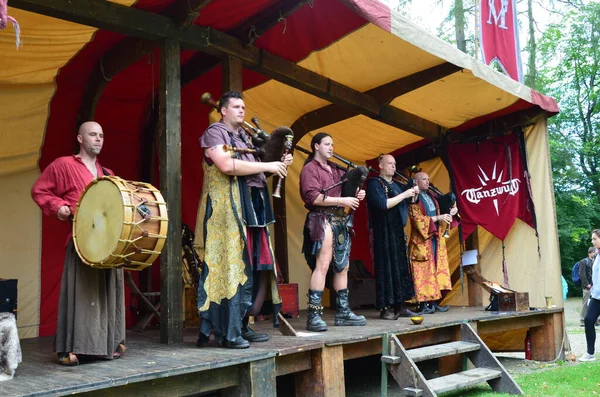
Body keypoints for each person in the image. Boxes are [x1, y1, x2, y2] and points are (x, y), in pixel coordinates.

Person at [195, 91, 292, 349]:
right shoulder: (214, 133)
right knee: (230, 267)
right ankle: (228, 333)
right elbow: (227, 166)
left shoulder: (244, 137)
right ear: (223, 110)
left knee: (251, 268)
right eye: (236, 106)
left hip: (250, 209)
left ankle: (242, 325)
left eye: (244, 106)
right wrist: (268, 166)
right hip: (225, 212)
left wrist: (278, 163)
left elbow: (256, 174)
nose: (242, 110)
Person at [31, 121, 126, 366]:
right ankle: (70, 347)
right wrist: (58, 206)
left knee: (107, 292)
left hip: (108, 244)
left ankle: (109, 343)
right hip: (81, 241)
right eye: (93, 135)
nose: (98, 139)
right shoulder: (64, 165)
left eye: (102, 135)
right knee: (81, 294)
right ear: (80, 139)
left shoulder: (109, 175)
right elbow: (40, 190)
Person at [299, 132, 367, 332]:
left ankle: (343, 313)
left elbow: (346, 192)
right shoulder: (309, 169)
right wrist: (342, 201)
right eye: (327, 144)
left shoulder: (336, 169)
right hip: (321, 218)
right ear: (316, 146)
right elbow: (312, 198)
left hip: (339, 220)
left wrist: (356, 194)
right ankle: (314, 316)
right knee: (322, 264)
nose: (331, 147)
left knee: (342, 267)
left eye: (332, 144)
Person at [366, 154, 420, 320]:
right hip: (383, 231)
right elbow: (383, 204)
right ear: (380, 165)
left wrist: (414, 192)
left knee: (400, 267)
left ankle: (401, 305)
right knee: (386, 268)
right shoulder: (374, 183)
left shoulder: (397, 185)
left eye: (394, 164)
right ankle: (386, 308)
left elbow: (411, 202)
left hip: (397, 231)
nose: (393, 166)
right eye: (389, 163)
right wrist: (405, 195)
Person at [408, 172, 458, 315]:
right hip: (422, 240)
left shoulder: (432, 195)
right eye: (424, 179)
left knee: (435, 269)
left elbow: (444, 207)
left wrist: (452, 210)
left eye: (428, 179)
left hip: (434, 238)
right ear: (416, 182)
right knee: (423, 273)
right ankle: (423, 304)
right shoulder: (414, 198)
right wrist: (439, 217)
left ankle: (433, 303)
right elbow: (417, 220)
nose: (427, 182)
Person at [579, 229, 600, 362]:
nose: (592, 241)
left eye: (594, 239)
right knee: (588, 320)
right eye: (592, 239)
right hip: (596, 297)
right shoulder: (597, 256)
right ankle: (590, 353)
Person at [579, 247, 597, 327]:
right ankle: (582, 320)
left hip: (595, 287)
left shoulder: (596, 261)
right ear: (589, 253)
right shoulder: (583, 261)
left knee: (595, 303)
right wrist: (587, 284)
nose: (595, 253)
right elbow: (581, 274)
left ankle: (596, 320)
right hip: (587, 287)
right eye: (594, 252)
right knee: (585, 304)